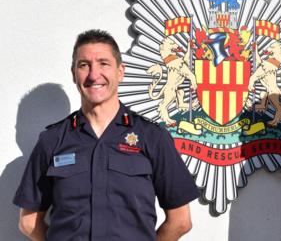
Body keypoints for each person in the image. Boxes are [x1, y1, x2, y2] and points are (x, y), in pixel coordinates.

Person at [13, 29, 199, 241]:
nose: (94, 75)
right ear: (74, 73)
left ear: (120, 71)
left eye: (103, 63)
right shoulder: (52, 140)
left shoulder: (152, 137)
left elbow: (181, 221)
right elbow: (28, 222)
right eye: (84, 65)